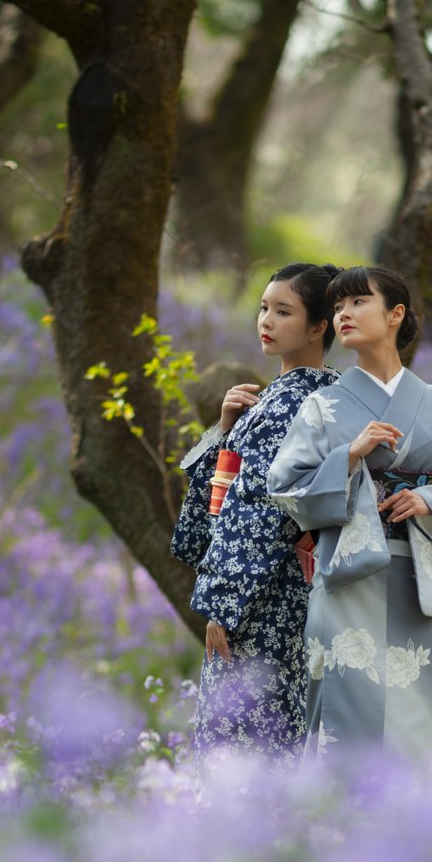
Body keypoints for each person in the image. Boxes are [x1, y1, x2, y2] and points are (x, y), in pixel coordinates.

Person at [267, 265, 432, 767]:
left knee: (410, 720)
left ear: (395, 314)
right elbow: (284, 486)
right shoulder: (322, 407)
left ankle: (400, 831)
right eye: (338, 305)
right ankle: (336, 833)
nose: (343, 314)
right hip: (348, 578)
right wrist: (348, 454)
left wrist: (430, 501)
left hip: (416, 575)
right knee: (345, 716)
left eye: (357, 302)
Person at [171, 263, 341, 765]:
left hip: (260, 599)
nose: (266, 320)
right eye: (263, 308)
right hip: (289, 590)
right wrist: (226, 431)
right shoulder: (316, 397)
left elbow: (259, 514)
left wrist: (223, 604)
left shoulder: (290, 406)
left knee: (243, 746)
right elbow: (223, 508)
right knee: (279, 735)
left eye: (283, 311)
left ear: (318, 327)